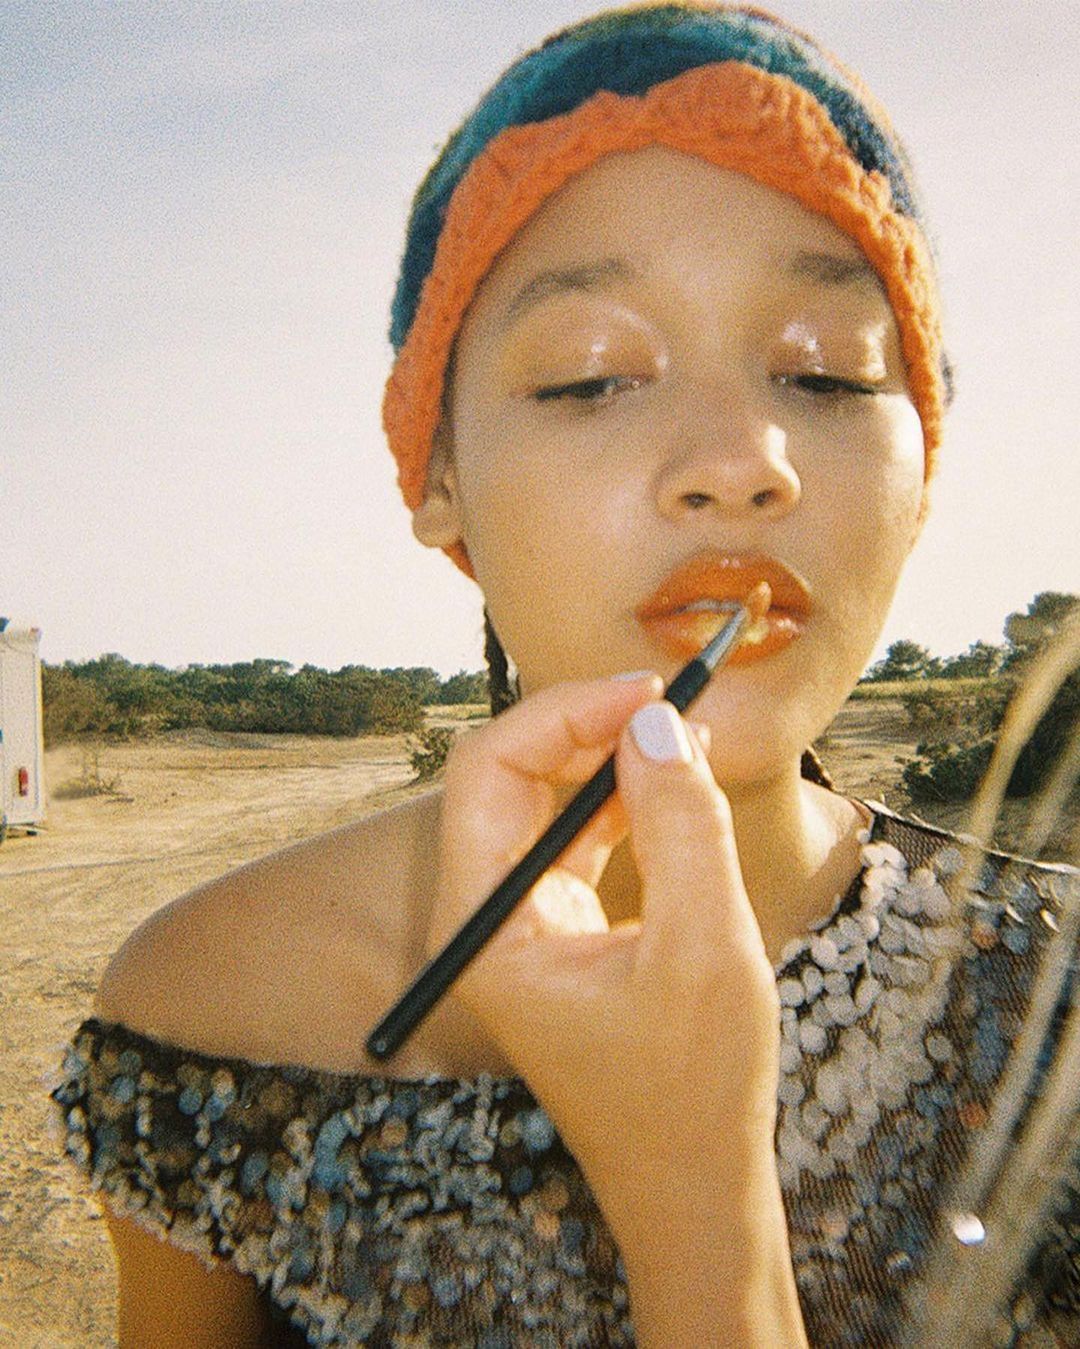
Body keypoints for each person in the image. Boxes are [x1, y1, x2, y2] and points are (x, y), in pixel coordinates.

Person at [51, 4, 1078, 1345]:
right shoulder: (208, 1006)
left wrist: (696, 1205)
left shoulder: (1056, 998)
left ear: (922, 469)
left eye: (827, 375)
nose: (740, 461)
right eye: (592, 379)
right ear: (439, 478)